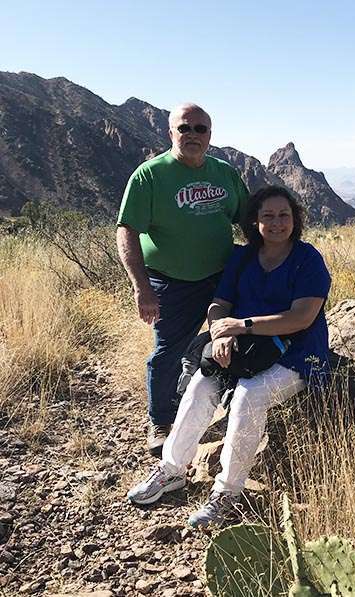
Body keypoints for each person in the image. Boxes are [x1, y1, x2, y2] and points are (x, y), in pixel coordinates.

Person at [127, 185, 331, 529]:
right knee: (201, 385)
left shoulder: (307, 260)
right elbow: (219, 304)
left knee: (249, 396)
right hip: (244, 348)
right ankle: (172, 469)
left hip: (296, 353)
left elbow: (302, 317)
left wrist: (241, 326)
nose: (277, 223)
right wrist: (220, 332)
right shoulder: (243, 258)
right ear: (255, 221)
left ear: (296, 219)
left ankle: (227, 493)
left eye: (284, 215)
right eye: (268, 215)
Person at [116, 103, 248, 456]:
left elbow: (248, 220)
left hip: (222, 277)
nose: (192, 135)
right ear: (170, 132)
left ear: (210, 135)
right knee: (167, 351)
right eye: (184, 128)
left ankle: (226, 399)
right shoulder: (150, 176)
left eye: (200, 129)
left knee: (234, 338)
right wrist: (141, 288)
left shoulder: (225, 174)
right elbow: (127, 231)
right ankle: (160, 420)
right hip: (172, 282)